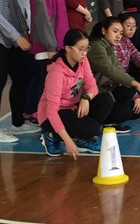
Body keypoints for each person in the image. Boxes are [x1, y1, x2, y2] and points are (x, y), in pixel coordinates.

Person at [37, 29, 114, 157]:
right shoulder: (56, 74)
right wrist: (68, 142)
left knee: (105, 99)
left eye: (86, 49)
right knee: (92, 128)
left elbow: (92, 85)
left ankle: (83, 138)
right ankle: (51, 135)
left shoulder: (83, 61)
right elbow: (51, 111)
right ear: (67, 48)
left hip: (72, 108)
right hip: (52, 115)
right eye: (80, 49)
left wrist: (86, 98)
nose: (84, 53)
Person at [0, 0, 40, 142]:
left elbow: (14, 7)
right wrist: (17, 36)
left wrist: (23, 30)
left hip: (11, 39)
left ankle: (17, 123)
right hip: (3, 39)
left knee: (22, 76)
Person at [88, 17, 140, 131]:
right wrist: (136, 84)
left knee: (132, 111)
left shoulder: (109, 46)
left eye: (120, 33)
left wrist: (135, 93)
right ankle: (93, 122)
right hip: (92, 95)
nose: (118, 36)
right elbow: (110, 70)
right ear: (104, 31)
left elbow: (119, 70)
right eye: (115, 31)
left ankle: (107, 119)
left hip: (107, 90)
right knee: (117, 106)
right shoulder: (96, 46)